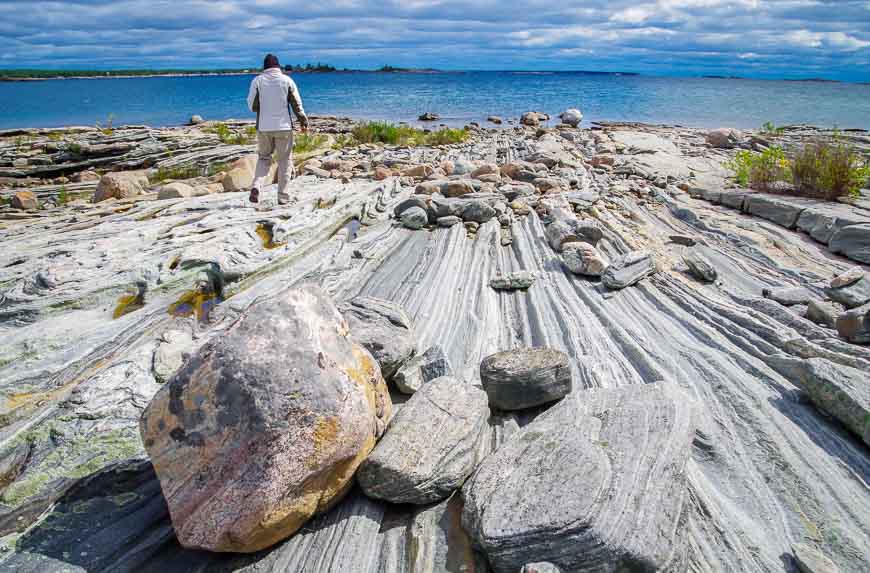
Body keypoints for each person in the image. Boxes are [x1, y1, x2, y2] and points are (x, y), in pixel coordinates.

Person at [246, 54, 309, 204]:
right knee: (285, 161)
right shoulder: (287, 81)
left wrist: (265, 106)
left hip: (263, 127)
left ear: (265, 67)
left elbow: (251, 106)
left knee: (263, 158)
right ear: (278, 67)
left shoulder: (257, 81)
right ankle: (283, 197)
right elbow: (297, 105)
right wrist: (303, 122)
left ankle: (256, 186)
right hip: (284, 127)